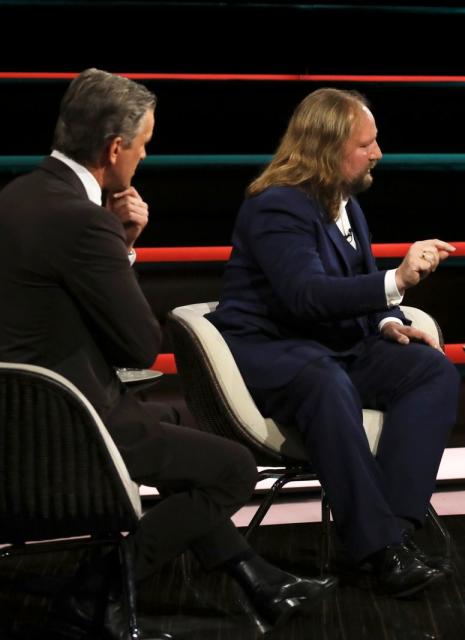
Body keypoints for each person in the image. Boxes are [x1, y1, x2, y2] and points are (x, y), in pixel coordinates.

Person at [0, 69, 334, 639]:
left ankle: (253, 575)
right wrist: (122, 244)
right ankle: (100, 587)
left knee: (175, 422)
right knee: (232, 469)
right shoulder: (84, 222)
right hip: (70, 428)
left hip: (16, 422)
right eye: (144, 144)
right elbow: (139, 346)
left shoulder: (15, 196)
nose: (145, 157)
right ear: (113, 148)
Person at [209, 88, 460, 598]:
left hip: (330, 347)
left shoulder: (345, 205)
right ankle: (381, 549)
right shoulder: (277, 206)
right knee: (324, 380)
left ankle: (392, 531)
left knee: (430, 370)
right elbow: (305, 295)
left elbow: (350, 286)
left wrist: (389, 321)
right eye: (366, 144)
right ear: (326, 148)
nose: (378, 154)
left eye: (376, 142)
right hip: (272, 352)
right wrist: (398, 282)